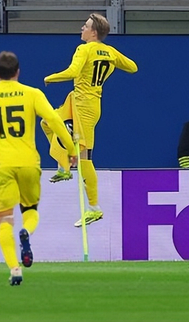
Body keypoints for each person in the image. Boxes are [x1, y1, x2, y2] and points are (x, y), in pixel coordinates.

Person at [0, 51, 78, 286]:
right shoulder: (32, 94)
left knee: (4, 220)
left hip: (1, 166)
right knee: (30, 210)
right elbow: (55, 121)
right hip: (28, 164)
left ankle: (14, 269)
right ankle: (27, 233)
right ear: (18, 71)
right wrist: (71, 150)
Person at [43, 13, 137, 227]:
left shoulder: (84, 49)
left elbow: (73, 71)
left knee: (85, 158)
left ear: (94, 32)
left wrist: (50, 78)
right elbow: (133, 67)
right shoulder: (110, 51)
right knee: (48, 123)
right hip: (88, 103)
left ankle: (94, 208)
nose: (82, 29)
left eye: (85, 26)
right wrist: (111, 62)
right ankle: (64, 166)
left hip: (83, 105)